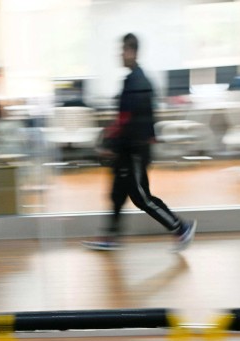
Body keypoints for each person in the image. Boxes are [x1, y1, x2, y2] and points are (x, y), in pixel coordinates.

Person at [82, 34, 196, 252]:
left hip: (134, 150)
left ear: (132, 51)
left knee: (142, 197)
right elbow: (127, 118)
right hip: (128, 150)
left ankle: (181, 227)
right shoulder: (134, 79)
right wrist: (112, 142)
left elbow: (129, 120)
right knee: (117, 194)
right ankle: (110, 237)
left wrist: (110, 144)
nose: (119, 55)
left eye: (122, 50)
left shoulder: (137, 81)